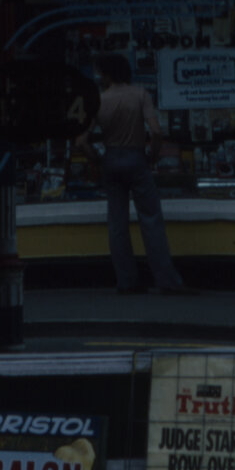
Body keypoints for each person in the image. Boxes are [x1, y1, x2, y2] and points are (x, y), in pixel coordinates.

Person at [74, 53, 188, 294]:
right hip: (136, 158)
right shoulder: (140, 95)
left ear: (107, 74)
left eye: (100, 73)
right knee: (151, 220)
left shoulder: (99, 100)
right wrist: (152, 156)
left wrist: (97, 158)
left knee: (117, 223)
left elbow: (81, 141)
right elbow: (156, 132)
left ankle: (126, 281)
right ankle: (166, 280)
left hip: (111, 159)